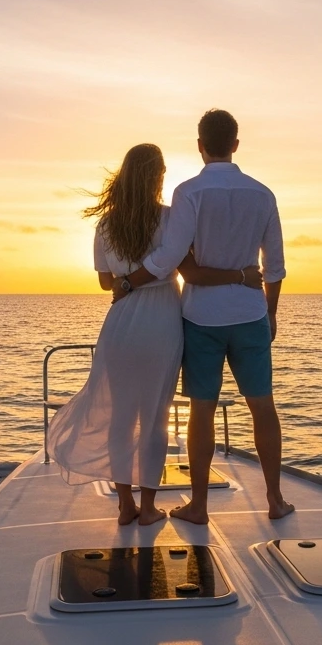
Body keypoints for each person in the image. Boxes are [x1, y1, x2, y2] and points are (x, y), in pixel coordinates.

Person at [47, 143, 263, 526]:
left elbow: (105, 283)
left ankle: (125, 505)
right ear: (158, 177)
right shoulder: (167, 218)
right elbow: (183, 267)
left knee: (120, 416)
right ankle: (148, 507)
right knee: (155, 417)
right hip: (163, 320)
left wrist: (127, 279)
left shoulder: (106, 224)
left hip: (121, 322)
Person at [115, 110, 293, 524]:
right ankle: (275, 500)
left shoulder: (189, 192)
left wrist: (128, 282)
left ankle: (198, 506)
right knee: (262, 407)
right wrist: (270, 312)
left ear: (200, 145)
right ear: (235, 144)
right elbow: (276, 265)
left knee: (203, 410)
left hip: (201, 318)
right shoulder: (263, 194)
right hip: (249, 314)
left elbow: (171, 256)